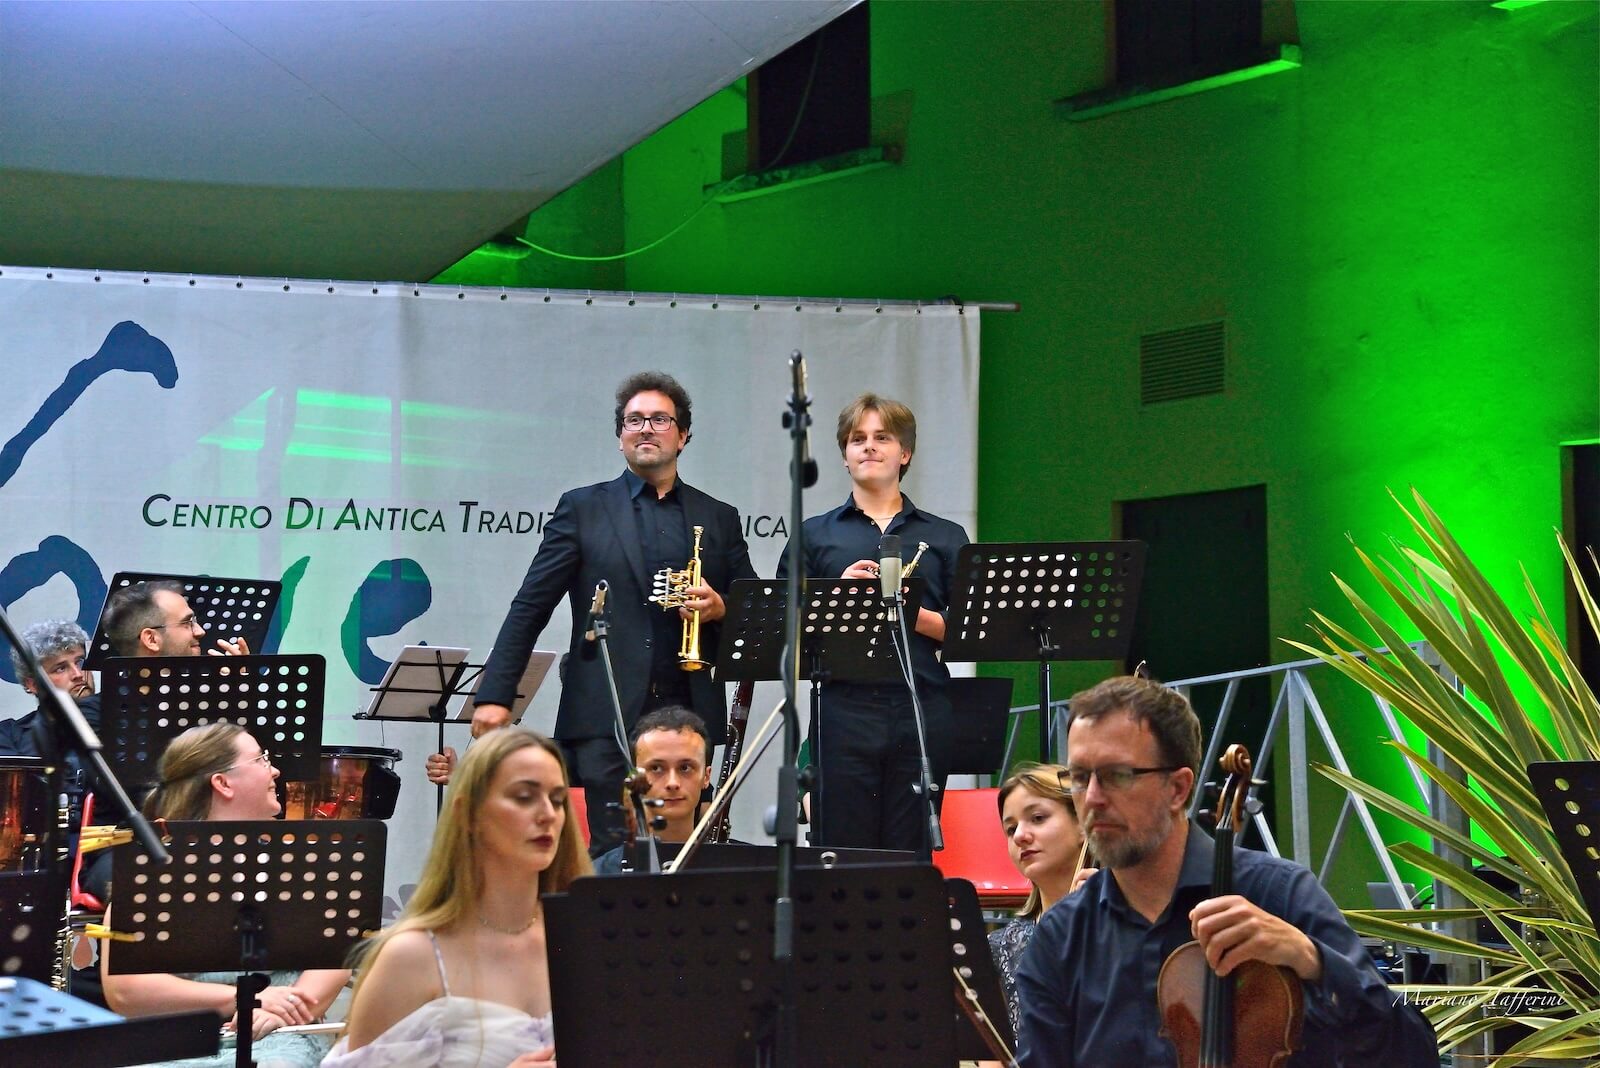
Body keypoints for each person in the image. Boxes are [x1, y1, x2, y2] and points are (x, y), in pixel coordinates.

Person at [1013, 675, 1440, 1067]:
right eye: (1080, 777)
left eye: (1117, 775)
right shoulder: (1062, 936)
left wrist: (1311, 961)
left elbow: (1411, 1054)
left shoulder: (1279, 895)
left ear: (1178, 788)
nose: (1092, 797)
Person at [461, 371, 755, 849]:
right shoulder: (582, 508)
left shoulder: (719, 517)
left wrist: (721, 608)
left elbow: (756, 617)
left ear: (683, 435)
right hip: (603, 716)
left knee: (685, 858)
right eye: (633, 420)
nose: (645, 428)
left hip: (689, 719)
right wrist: (495, 696)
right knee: (610, 857)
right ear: (620, 437)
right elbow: (530, 606)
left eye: (659, 419)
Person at [325, 728, 592, 1067]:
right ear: (468, 813)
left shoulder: (586, 937)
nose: (548, 814)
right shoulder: (411, 956)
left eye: (557, 799)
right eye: (524, 797)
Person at [777, 393, 969, 852]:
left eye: (882, 437)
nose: (868, 446)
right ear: (844, 456)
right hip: (842, 707)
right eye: (857, 438)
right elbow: (783, 628)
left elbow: (967, 631)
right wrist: (840, 597)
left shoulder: (945, 536)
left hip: (920, 706)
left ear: (905, 454)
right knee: (841, 855)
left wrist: (910, 612)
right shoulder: (814, 534)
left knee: (910, 855)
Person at [99, 723, 349, 1068]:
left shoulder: (300, 860)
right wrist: (244, 999)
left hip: (278, 1035)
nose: (275, 771)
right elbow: (125, 991)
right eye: (261, 760)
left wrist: (285, 1009)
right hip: (176, 1042)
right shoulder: (152, 869)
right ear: (222, 783)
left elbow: (336, 955)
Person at [987, 763, 1092, 1038]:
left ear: (1084, 825)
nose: (1020, 836)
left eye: (1037, 818)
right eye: (1011, 829)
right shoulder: (1000, 947)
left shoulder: (1120, 925)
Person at [591, 706, 713, 874]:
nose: (672, 783)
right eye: (656, 768)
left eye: (685, 768)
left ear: (706, 777)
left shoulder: (741, 867)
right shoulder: (596, 874)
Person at [1, 618, 98, 757]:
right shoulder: (8, 736)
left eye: (80, 662)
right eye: (61, 668)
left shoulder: (121, 718)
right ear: (33, 685)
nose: (78, 674)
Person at [101, 579, 252, 658]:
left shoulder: (208, 697)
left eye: (195, 621)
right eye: (187, 623)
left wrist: (237, 689)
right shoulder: (100, 708)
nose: (200, 631)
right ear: (151, 639)